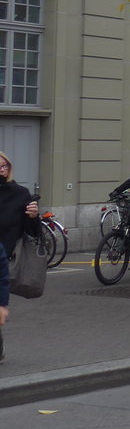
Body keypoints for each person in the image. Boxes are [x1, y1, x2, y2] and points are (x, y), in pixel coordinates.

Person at [0, 150, 38, 363]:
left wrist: (33, 216)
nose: (2, 170)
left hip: (6, 256)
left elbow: (31, 231)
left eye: (5, 166)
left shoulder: (20, 193)